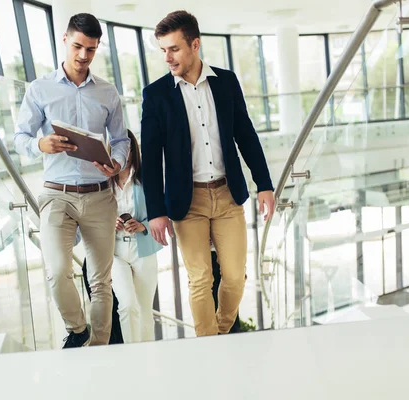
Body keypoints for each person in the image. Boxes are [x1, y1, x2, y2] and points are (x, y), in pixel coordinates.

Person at [140, 10, 275, 337]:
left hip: (228, 195)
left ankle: (218, 333)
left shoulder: (226, 82)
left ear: (195, 44)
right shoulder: (156, 95)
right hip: (189, 201)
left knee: (234, 276)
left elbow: (246, 135)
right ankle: (208, 346)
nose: (167, 57)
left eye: (174, 49)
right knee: (200, 278)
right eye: (163, 51)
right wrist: (155, 212)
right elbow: (150, 159)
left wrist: (264, 185)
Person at [14, 13, 130, 348]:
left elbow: (121, 140)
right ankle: (78, 330)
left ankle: (98, 350)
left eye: (90, 50)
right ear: (64, 40)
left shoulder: (108, 93)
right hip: (57, 195)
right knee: (57, 269)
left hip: (99, 196)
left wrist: (117, 162)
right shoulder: (40, 89)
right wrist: (41, 144)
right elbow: (20, 137)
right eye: (78, 46)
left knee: (101, 281)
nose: (83, 55)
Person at [112, 130, 161, 343]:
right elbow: (91, 216)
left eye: (127, 147)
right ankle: (131, 356)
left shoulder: (146, 179)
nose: (124, 152)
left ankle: (147, 359)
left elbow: (161, 212)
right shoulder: (102, 184)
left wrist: (142, 226)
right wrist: (108, 222)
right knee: (127, 305)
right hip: (114, 252)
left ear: (133, 150)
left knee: (144, 310)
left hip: (143, 249)